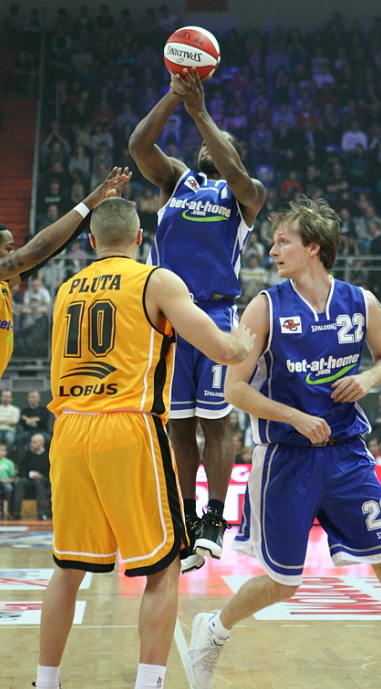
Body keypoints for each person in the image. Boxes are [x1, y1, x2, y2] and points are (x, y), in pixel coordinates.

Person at [185, 197, 381, 689]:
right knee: (284, 582)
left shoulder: (361, 302)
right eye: (273, 241)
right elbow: (233, 389)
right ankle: (214, 628)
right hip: (287, 458)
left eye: (283, 241)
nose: (272, 250)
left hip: (348, 455)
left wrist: (367, 378)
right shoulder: (264, 308)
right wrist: (295, 417)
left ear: (314, 248)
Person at [35, 196, 255, 689]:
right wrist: (242, 341)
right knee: (164, 568)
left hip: (68, 430)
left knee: (67, 569)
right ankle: (149, 683)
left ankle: (45, 681)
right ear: (140, 238)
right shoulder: (156, 280)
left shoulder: (67, 288)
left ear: (92, 240)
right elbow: (220, 348)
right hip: (127, 425)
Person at [129, 68, 265, 570]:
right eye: (205, 141)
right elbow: (139, 146)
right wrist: (174, 97)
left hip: (214, 313)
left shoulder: (246, 193)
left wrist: (202, 113)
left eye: (220, 143)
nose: (209, 146)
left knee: (217, 421)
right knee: (179, 425)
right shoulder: (178, 180)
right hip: (166, 317)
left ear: (232, 154)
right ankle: (187, 517)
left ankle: (214, 516)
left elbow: (236, 173)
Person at [0, 166, 130, 521]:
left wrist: (95, 203)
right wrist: (89, 200)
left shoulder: (0, 288)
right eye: (9, 249)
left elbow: (46, 252)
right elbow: (37, 248)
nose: (16, 254)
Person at [11, 433, 50, 520]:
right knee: (20, 482)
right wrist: (31, 474)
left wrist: (40, 476)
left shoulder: (48, 456)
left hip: (44, 480)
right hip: (29, 479)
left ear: (41, 444)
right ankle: (16, 513)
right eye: (31, 442)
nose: (31, 444)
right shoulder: (27, 455)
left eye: (34, 442)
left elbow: (50, 472)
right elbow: (21, 471)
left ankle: (42, 513)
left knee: (39, 483)